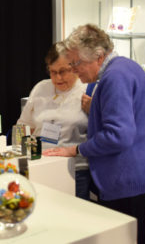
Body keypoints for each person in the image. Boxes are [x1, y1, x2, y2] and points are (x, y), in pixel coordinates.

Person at [43, 24, 145, 244]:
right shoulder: (127, 68)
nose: (74, 70)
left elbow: (118, 136)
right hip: (140, 180)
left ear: (99, 56)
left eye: (76, 63)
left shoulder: (114, 77)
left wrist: (75, 149)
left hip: (127, 184)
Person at [17, 42, 92, 200]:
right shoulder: (41, 88)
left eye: (63, 71)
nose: (58, 78)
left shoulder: (87, 90)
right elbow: (23, 126)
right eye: (53, 72)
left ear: (75, 67)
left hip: (74, 170)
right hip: (40, 166)